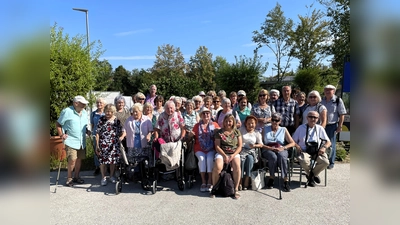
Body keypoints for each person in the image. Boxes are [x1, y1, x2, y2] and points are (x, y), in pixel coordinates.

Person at [56, 95, 91, 187]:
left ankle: (76, 176)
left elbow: (84, 125)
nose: (84, 105)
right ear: (76, 103)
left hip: (81, 141)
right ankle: (69, 178)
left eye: (84, 104)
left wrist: (87, 131)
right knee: (72, 159)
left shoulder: (84, 112)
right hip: (71, 140)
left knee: (79, 159)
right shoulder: (67, 111)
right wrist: (61, 135)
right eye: (82, 104)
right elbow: (58, 124)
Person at [292, 111, 331, 187]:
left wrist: (324, 148)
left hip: (318, 151)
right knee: (303, 161)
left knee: (325, 162)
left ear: (318, 119)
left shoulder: (320, 128)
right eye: (310, 117)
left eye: (315, 117)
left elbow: (328, 142)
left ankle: (311, 175)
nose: (312, 119)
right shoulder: (300, 128)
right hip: (304, 151)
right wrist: (297, 146)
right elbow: (293, 141)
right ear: (307, 118)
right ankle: (312, 176)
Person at [261, 113, 295, 192]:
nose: (274, 122)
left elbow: (292, 143)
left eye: (277, 120)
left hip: (280, 147)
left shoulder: (283, 129)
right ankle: (271, 178)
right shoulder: (265, 128)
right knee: (273, 157)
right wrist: (269, 148)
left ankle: (285, 180)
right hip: (268, 148)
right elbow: (261, 142)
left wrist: (283, 148)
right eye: (273, 119)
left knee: (282, 157)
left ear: (280, 121)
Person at [212, 114, 242, 199]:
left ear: (233, 122)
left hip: (234, 153)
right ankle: (215, 188)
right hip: (222, 153)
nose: (228, 123)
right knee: (218, 166)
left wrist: (233, 155)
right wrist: (224, 156)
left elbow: (239, 146)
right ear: (223, 122)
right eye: (226, 121)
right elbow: (217, 146)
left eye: (230, 121)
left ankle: (236, 188)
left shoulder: (237, 132)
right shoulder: (219, 132)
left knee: (236, 166)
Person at [190, 108, 220, 192]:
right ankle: (203, 181)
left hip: (211, 148)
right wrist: (190, 135)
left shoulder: (214, 124)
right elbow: (190, 137)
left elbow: (221, 134)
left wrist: (218, 131)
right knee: (202, 159)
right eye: (204, 113)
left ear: (210, 115)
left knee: (210, 158)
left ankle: (210, 181)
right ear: (201, 116)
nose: (206, 115)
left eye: (207, 113)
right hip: (199, 148)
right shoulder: (197, 126)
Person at [95, 104, 125, 186]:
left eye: (110, 111)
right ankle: (103, 177)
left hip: (114, 144)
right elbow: (97, 133)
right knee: (103, 161)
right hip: (103, 143)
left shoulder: (116, 120)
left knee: (113, 161)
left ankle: (111, 176)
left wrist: (122, 137)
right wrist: (97, 145)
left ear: (113, 112)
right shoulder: (102, 119)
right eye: (106, 111)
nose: (108, 113)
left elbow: (122, 130)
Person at [123, 103, 153, 180]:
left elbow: (151, 130)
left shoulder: (146, 119)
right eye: (133, 111)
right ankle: (135, 174)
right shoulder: (129, 120)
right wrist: (122, 136)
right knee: (133, 160)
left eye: (136, 111)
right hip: (132, 142)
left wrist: (149, 135)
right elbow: (124, 130)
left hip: (144, 142)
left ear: (141, 111)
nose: (134, 113)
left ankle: (145, 174)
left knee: (143, 160)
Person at [321, 85, 347, 169]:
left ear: (334, 91)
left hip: (332, 125)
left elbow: (342, 114)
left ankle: (330, 163)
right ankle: (322, 161)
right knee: (321, 144)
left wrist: (340, 126)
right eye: (326, 90)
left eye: (330, 90)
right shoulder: (321, 100)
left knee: (331, 144)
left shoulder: (338, 100)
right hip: (321, 126)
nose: (328, 91)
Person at [239, 115, 263, 190]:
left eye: (252, 123)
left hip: (251, 151)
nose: (250, 125)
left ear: (255, 124)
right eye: (249, 123)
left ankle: (247, 179)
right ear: (245, 123)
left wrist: (255, 145)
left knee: (250, 159)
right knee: (241, 160)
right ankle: (240, 180)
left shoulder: (257, 133)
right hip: (242, 150)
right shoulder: (241, 130)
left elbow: (261, 144)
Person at [90, 97, 106, 176]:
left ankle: (105, 167)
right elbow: (92, 125)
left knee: (105, 151)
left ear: (104, 104)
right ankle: (97, 167)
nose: (99, 104)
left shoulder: (106, 113)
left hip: (105, 135)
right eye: (98, 103)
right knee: (97, 151)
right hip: (96, 134)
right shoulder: (93, 114)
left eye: (101, 103)